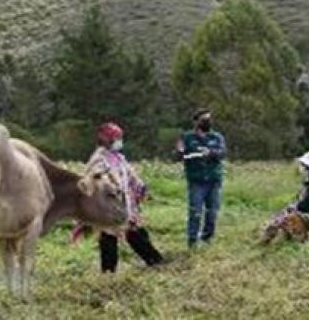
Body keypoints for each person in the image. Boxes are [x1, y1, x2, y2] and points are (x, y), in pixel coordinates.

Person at [85, 122, 164, 272]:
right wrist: (110, 186)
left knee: (134, 231)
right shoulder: (99, 158)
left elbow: (130, 174)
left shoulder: (119, 158)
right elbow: (94, 177)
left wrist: (140, 186)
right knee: (109, 236)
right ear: (107, 140)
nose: (119, 141)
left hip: (125, 202)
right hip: (109, 204)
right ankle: (109, 271)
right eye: (116, 138)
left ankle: (154, 260)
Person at [175, 108, 227, 249]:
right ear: (196, 122)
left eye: (209, 119)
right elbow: (178, 154)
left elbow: (222, 153)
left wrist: (210, 153)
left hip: (213, 179)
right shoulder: (187, 137)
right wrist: (179, 151)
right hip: (196, 180)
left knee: (212, 212)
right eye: (204, 120)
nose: (207, 122)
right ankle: (192, 240)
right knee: (195, 211)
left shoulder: (217, 137)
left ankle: (207, 238)